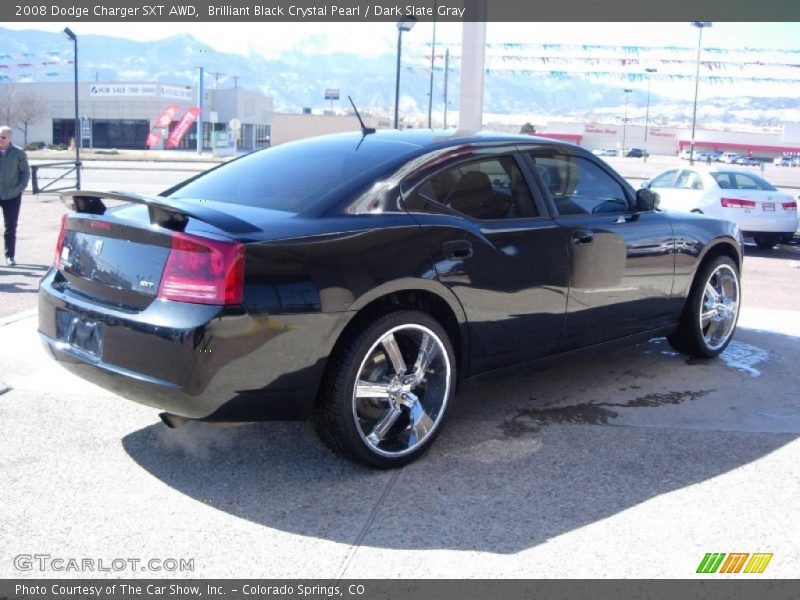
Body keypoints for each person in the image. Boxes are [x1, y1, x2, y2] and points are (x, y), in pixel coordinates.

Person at [0, 125, 30, 267]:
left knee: (10, 227)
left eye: (3, 137)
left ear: (9, 138)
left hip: (12, 194)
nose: (0, 139)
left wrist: (21, 188)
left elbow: (25, 172)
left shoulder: (18, 153)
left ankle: (9, 256)